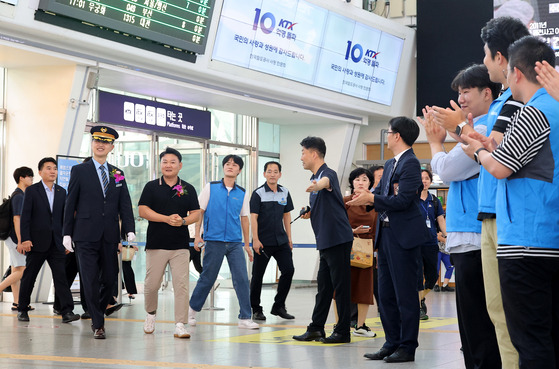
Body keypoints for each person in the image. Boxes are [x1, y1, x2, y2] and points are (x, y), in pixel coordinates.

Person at [462, 35, 559, 369]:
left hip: (528, 241)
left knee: (529, 340)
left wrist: (477, 150)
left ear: (516, 72)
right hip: (547, 235)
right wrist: (487, 145)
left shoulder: (536, 111)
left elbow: (501, 166)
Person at [420, 64, 502, 369]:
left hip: (474, 235)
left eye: (466, 91)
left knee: (478, 321)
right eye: (458, 92)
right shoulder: (474, 129)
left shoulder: (485, 128)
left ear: (487, 93)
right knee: (471, 322)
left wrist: (435, 142)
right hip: (467, 234)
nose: (461, 98)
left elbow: (447, 169)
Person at [348, 117, 431, 363]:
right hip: (385, 235)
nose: (387, 136)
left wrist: (371, 200)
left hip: (403, 237)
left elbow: (404, 201)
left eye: (389, 132)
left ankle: (407, 346)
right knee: (385, 294)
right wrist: (366, 196)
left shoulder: (411, 163)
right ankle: (391, 342)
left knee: (405, 294)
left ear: (397, 136)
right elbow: (382, 195)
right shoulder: (390, 162)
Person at [63, 126, 135, 339]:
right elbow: (70, 202)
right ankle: (98, 323)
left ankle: (99, 309)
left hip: (110, 235)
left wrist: (129, 229)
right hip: (84, 235)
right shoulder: (80, 170)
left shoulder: (117, 174)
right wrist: (67, 233)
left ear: (112, 146)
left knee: (110, 278)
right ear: (92, 143)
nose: (100, 144)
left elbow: (125, 203)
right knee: (89, 278)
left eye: (105, 141)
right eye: (97, 140)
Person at [292, 136, 354, 344]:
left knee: (341, 287)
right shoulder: (315, 178)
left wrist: (318, 186)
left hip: (337, 239)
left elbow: (326, 183)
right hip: (326, 241)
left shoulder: (326, 174)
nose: (301, 157)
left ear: (314, 154)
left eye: (303, 152)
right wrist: (310, 210)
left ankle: (343, 331)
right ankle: (317, 328)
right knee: (324, 288)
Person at [188, 155, 259, 329]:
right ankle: (191, 311)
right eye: (227, 164)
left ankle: (244, 318)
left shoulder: (242, 192)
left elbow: (244, 219)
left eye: (234, 165)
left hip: (235, 242)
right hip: (214, 240)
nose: (230, 166)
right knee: (208, 277)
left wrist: (247, 245)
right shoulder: (210, 188)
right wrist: (198, 235)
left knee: (242, 278)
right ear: (223, 167)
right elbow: (199, 212)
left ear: (239, 170)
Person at [139, 147, 200, 338]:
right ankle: (150, 314)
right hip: (156, 244)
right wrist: (166, 219)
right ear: (160, 164)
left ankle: (180, 324)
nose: (168, 165)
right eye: (165, 161)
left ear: (180, 165)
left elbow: (196, 214)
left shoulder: (188, 188)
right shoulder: (151, 186)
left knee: (181, 285)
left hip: (180, 246)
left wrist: (182, 221)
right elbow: (142, 210)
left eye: (173, 162)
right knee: (151, 285)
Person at [17, 158, 80, 324]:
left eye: (55, 169)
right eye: (48, 168)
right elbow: (25, 218)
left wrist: (67, 239)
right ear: (40, 172)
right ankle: (22, 309)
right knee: (30, 277)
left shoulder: (61, 191)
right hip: (36, 242)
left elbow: (65, 218)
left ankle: (67, 312)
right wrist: (25, 239)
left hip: (57, 243)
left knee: (61, 278)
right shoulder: (32, 191)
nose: (53, 171)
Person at [249, 161, 295, 321]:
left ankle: (278, 306)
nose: (273, 174)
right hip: (263, 242)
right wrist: (255, 239)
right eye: (269, 171)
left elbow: (287, 215)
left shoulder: (285, 192)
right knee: (258, 276)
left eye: (276, 171)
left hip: (281, 242)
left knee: (288, 270)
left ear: (280, 174)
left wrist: (289, 238)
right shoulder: (258, 193)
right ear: (264, 174)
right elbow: (253, 217)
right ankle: (256, 308)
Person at [341, 167, 376, 337]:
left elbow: (378, 228)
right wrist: (354, 231)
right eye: (357, 179)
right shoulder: (344, 201)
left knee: (364, 289)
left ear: (370, 183)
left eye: (364, 179)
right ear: (352, 182)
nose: (360, 182)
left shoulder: (375, 203)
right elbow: (337, 224)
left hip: (367, 251)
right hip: (345, 248)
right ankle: (340, 324)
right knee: (340, 288)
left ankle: (360, 326)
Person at [0, 166, 33, 311]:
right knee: (23, 270)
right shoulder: (19, 196)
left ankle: (17, 302)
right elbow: (17, 219)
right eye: (30, 176)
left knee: (16, 270)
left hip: (11, 237)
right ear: (21, 178)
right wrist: (21, 241)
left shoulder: (19, 194)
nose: (32, 179)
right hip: (15, 238)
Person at [417, 169, 446, 321]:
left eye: (427, 178)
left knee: (432, 276)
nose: (424, 181)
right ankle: (418, 307)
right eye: (421, 178)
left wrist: (446, 235)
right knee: (416, 276)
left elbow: (440, 219)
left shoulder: (434, 200)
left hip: (431, 243)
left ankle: (419, 299)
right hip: (415, 243)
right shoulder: (412, 199)